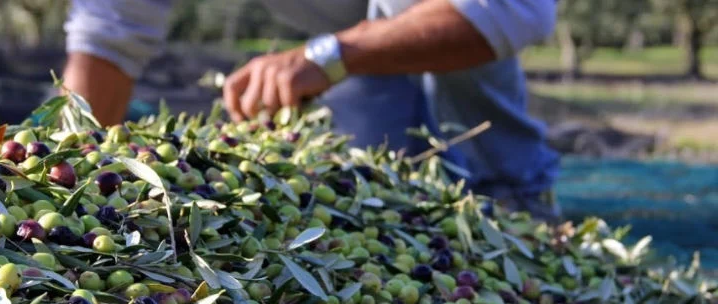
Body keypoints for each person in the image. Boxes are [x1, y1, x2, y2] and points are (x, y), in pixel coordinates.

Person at [62, 0, 561, 221]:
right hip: (357, 45)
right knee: (378, 203)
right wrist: (70, 169)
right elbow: (107, 35)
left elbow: (513, 8)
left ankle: (512, 199)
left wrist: (324, 57)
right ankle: (384, 203)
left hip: (425, 28)